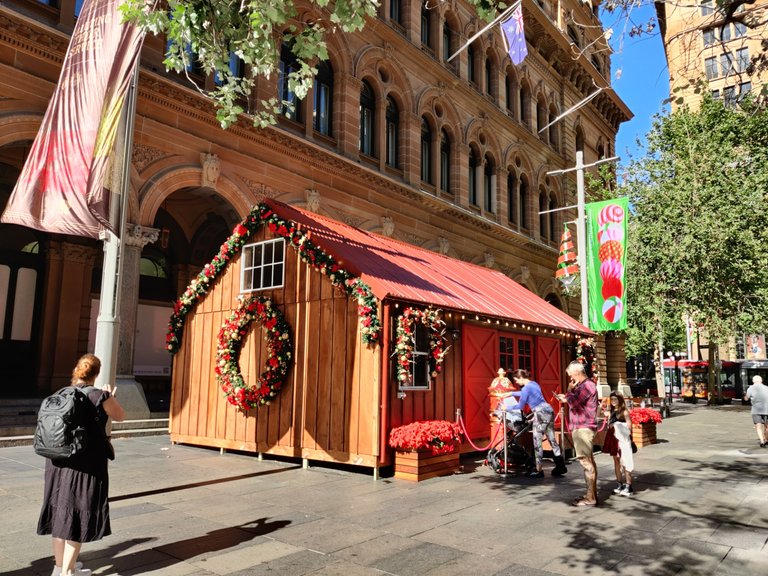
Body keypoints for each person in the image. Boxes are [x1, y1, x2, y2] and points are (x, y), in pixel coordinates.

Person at [37, 354, 125, 576]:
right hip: (85, 465)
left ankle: (59, 568)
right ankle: (68, 572)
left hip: (56, 462)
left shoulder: (59, 394)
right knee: (77, 514)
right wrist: (110, 397)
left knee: (59, 513)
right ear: (96, 374)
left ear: (76, 371)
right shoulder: (100, 395)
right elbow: (120, 416)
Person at [509, 369, 568, 478]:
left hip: (540, 413)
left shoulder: (526, 388)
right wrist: (511, 393)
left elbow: (520, 406)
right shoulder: (534, 384)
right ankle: (560, 465)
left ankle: (538, 469)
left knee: (537, 441)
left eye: (516, 380)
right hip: (548, 410)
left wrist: (506, 408)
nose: (516, 382)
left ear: (521, 378)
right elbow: (524, 393)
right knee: (552, 439)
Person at [557, 361, 598, 507]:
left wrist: (568, 392)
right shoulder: (584, 386)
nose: (570, 377)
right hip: (582, 427)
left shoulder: (587, 386)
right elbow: (575, 401)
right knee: (589, 461)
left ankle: (591, 497)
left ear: (576, 372)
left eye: (570, 375)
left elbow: (574, 403)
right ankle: (590, 494)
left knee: (586, 462)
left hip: (583, 427)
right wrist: (569, 394)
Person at [601, 392, 634, 496]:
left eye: (615, 399)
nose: (613, 401)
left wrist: (617, 425)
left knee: (625, 461)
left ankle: (628, 485)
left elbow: (629, 427)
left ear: (620, 399)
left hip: (622, 439)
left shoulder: (624, 411)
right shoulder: (611, 411)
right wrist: (599, 406)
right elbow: (598, 415)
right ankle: (619, 484)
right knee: (616, 461)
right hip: (613, 439)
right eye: (612, 399)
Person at [744, 375, 768, 448]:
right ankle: (766, 439)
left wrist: (746, 397)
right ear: (761, 381)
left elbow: (746, 398)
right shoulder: (767, 388)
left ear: (753, 381)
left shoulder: (750, 388)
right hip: (767, 409)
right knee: (767, 427)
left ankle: (762, 441)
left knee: (758, 426)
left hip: (756, 410)